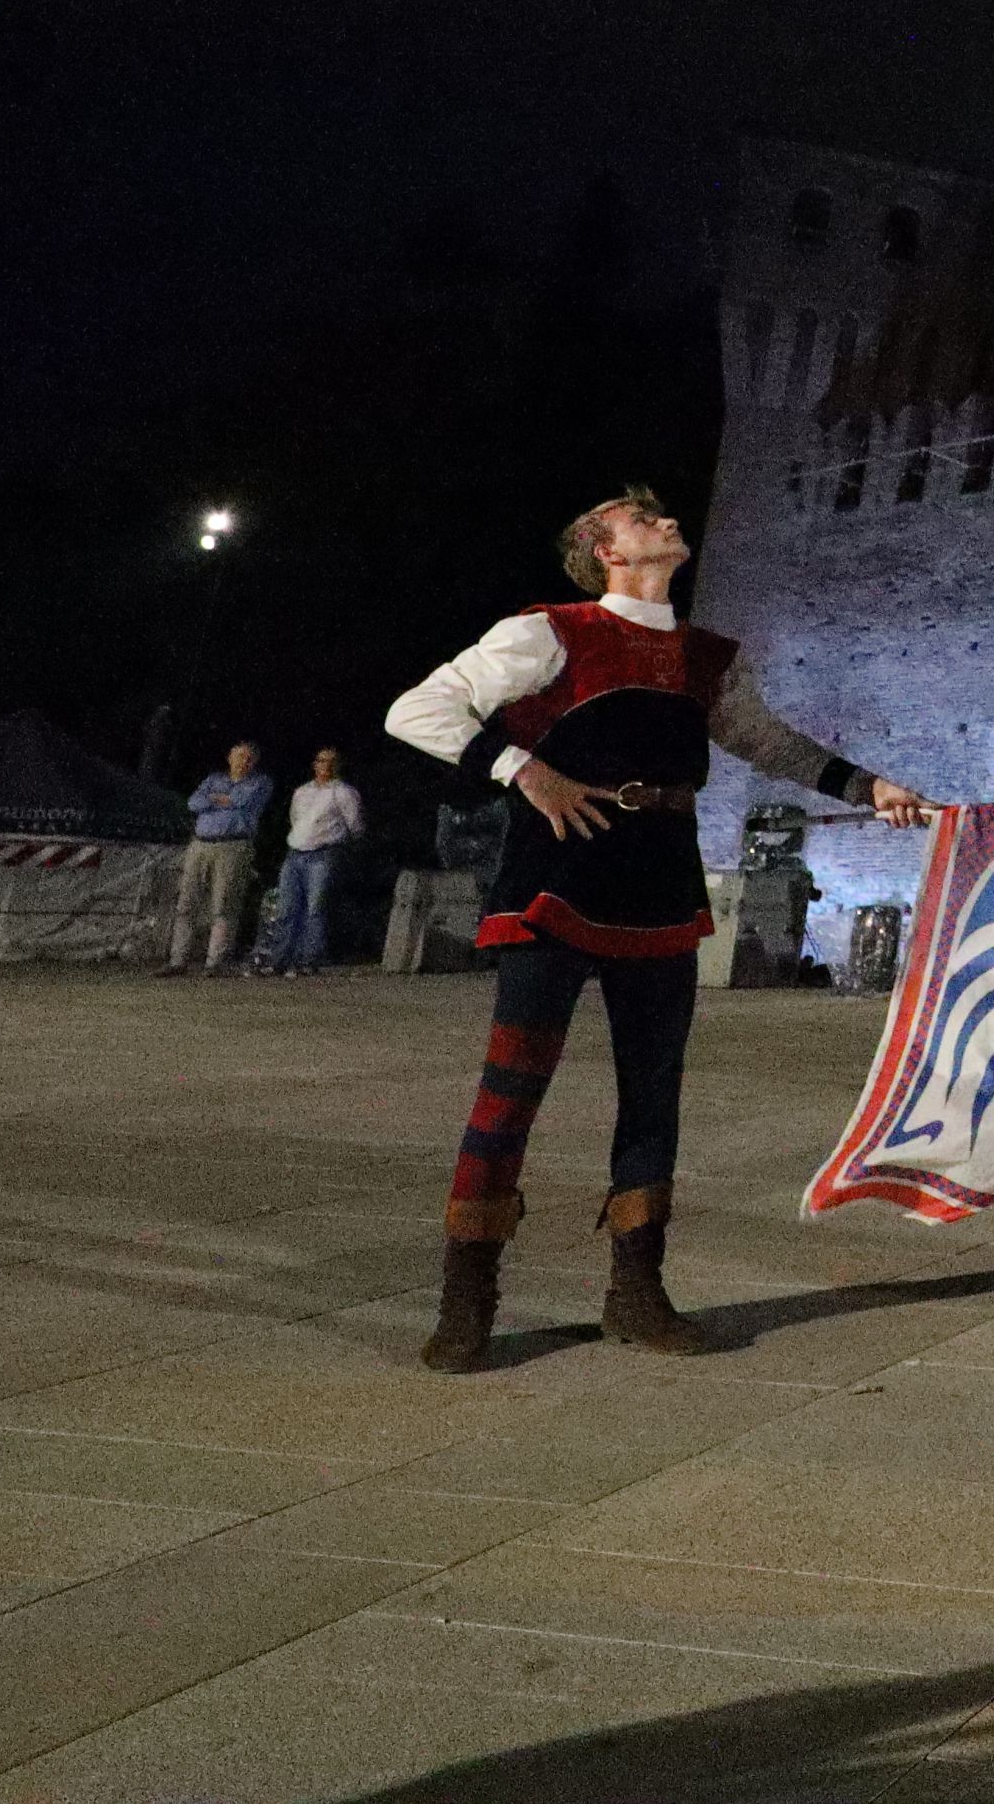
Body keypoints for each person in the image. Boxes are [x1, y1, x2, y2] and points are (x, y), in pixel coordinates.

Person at [386, 486, 926, 1371]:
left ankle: (638, 1292)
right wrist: (526, 770)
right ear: (605, 550)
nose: (666, 520)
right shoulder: (550, 629)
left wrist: (868, 789)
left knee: (654, 1090)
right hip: (558, 873)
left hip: (659, 875)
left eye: (664, 514)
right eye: (641, 518)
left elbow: (770, 741)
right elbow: (415, 710)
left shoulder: (707, 656)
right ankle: (468, 1295)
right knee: (511, 1087)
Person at [251, 747, 364, 976]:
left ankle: (308, 960)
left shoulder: (344, 793)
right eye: (321, 761)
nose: (326, 766)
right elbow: (295, 819)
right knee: (286, 908)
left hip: (323, 854)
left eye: (331, 762)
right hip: (295, 853)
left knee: (315, 909)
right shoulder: (302, 792)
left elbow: (355, 826)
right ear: (315, 764)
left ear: (338, 765)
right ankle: (280, 960)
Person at [165, 741, 273, 976]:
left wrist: (215, 800)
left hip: (233, 845)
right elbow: (194, 803)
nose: (243, 761)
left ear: (254, 762)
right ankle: (177, 960)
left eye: (248, 758)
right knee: (186, 902)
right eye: (239, 756)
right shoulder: (214, 779)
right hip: (201, 844)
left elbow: (245, 802)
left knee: (224, 905)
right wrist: (223, 799)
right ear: (229, 758)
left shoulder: (260, 783)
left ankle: (215, 963)